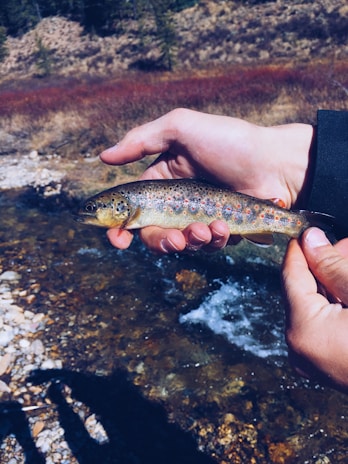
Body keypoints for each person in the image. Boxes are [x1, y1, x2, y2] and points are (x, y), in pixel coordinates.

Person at [99, 108, 348, 389]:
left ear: (120, 209)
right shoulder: (133, 201)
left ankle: (298, 222)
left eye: (94, 209)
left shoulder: (133, 204)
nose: (91, 213)